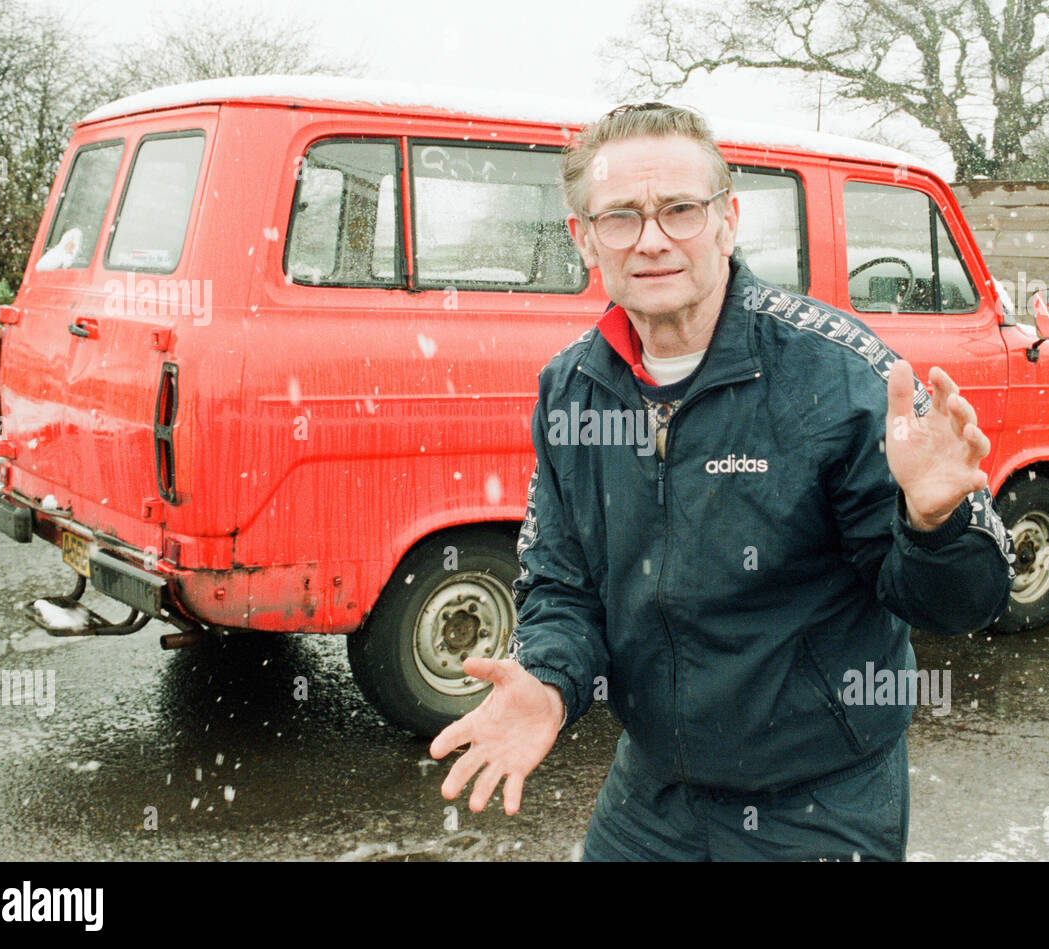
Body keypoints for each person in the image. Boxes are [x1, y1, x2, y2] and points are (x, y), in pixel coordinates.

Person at [429, 101, 1015, 861]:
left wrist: (937, 527)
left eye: (680, 210)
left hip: (821, 798)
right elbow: (563, 586)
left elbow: (963, 602)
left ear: (727, 220)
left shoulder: (837, 375)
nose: (652, 240)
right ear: (584, 239)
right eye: (620, 218)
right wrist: (546, 681)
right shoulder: (570, 390)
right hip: (654, 795)